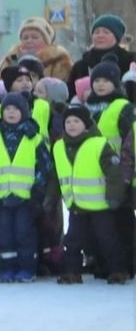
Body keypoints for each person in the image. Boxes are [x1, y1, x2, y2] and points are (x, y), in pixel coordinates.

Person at [52, 102, 129, 285]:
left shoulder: (99, 144)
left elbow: (114, 172)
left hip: (101, 204)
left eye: (76, 121)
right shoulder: (59, 146)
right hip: (76, 204)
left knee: (107, 239)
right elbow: (56, 175)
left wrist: (114, 196)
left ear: (86, 124)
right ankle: (71, 272)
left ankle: (118, 270)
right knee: (72, 241)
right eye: (68, 121)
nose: (72, 125)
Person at [0, 92, 50, 283]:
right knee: (4, 233)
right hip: (2, 196)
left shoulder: (34, 138)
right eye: (7, 109)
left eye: (16, 109)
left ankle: (27, 268)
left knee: (24, 233)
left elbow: (44, 165)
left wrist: (37, 190)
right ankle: (7, 268)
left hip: (26, 197)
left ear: (24, 112)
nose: (11, 113)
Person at [0, 16, 70, 86]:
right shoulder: (11, 59)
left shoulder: (58, 60)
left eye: (35, 37)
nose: (29, 41)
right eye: (25, 38)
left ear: (47, 41)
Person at [72, 15, 132, 96]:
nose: (100, 35)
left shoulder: (129, 60)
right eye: (96, 32)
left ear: (117, 37)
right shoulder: (81, 65)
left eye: (106, 32)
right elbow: (71, 93)